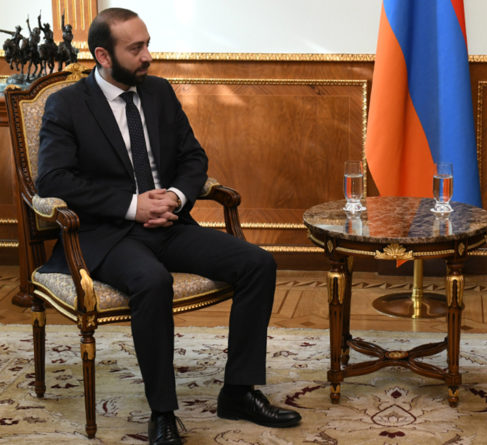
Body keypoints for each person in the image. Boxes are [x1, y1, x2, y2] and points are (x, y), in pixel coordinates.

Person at [36, 8, 301, 445]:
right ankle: (162, 412)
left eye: (147, 45)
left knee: (258, 264)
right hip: (106, 234)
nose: (147, 56)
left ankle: (238, 392)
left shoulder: (158, 92)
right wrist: (132, 206)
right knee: (152, 281)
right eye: (135, 48)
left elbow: (193, 158)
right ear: (103, 55)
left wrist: (175, 196)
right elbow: (53, 180)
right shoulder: (67, 104)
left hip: (169, 223)